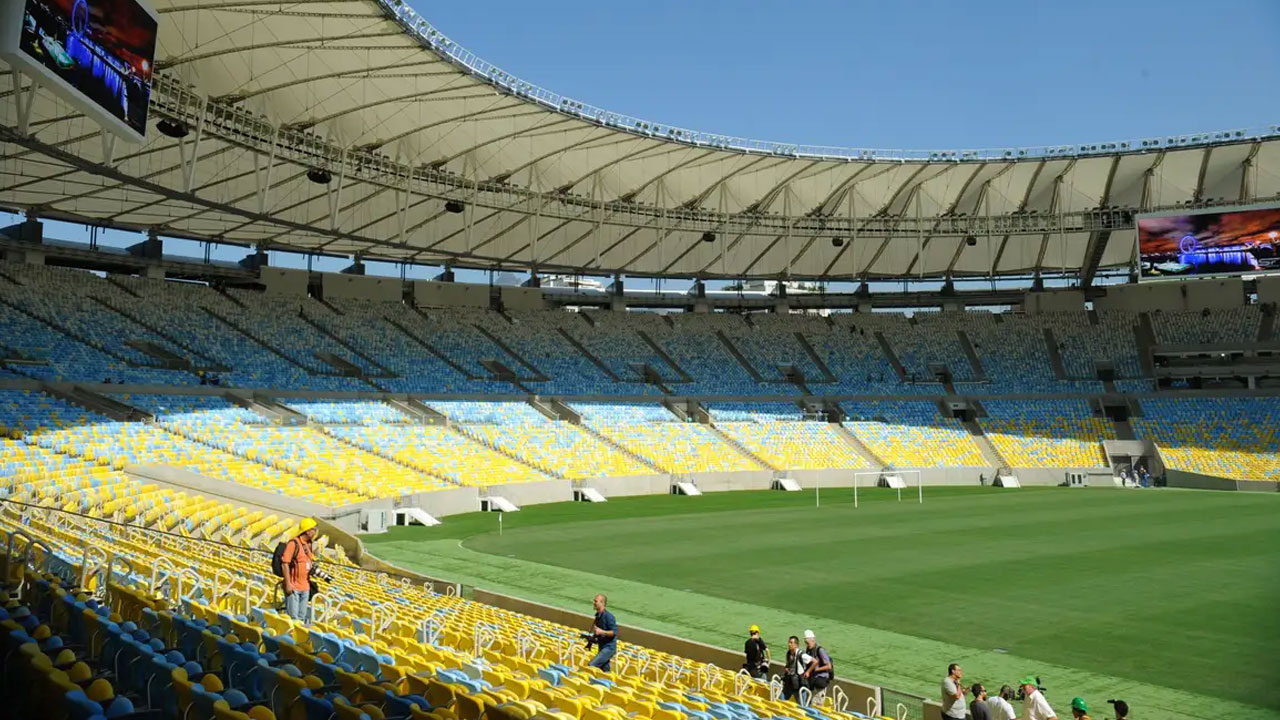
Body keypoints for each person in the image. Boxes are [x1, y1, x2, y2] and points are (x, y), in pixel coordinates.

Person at [280, 518, 317, 623]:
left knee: (301, 619)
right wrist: (288, 584)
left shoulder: (308, 545)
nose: (315, 531)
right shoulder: (293, 544)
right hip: (293, 588)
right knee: (293, 619)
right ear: (307, 531)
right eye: (313, 529)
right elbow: (285, 564)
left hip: (305, 588)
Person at [587, 593, 617, 672]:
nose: (593, 603)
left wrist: (601, 632)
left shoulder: (609, 616)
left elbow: (614, 632)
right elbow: (599, 632)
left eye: (595, 601)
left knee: (591, 665)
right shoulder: (598, 616)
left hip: (608, 648)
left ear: (602, 603)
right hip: (602, 646)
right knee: (605, 671)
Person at [800, 630, 833, 698]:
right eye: (806, 643)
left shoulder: (820, 650)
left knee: (816, 701)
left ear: (812, 640)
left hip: (820, 679)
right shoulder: (809, 649)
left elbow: (829, 666)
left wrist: (816, 669)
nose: (807, 644)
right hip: (813, 679)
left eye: (808, 642)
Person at [781, 635, 803, 702]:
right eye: (789, 642)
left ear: (796, 645)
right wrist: (786, 668)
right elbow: (788, 665)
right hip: (789, 682)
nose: (789, 644)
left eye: (791, 643)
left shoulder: (801, 655)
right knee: (782, 699)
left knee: (800, 702)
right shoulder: (788, 653)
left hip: (797, 683)